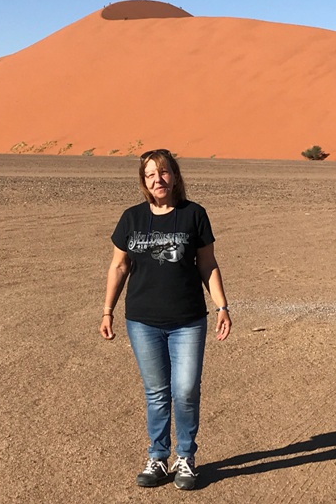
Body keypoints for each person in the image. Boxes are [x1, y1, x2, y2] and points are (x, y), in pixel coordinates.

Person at [99, 149, 231, 490]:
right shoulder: (131, 218)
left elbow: (207, 264)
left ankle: (185, 458)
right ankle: (158, 457)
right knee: (157, 392)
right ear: (143, 181)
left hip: (187, 320)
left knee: (185, 390)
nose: (158, 179)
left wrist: (222, 306)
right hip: (142, 320)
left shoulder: (194, 215)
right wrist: (107, 310)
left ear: (175, 175)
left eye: (164, 172)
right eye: (150, 174)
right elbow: (119, 266)